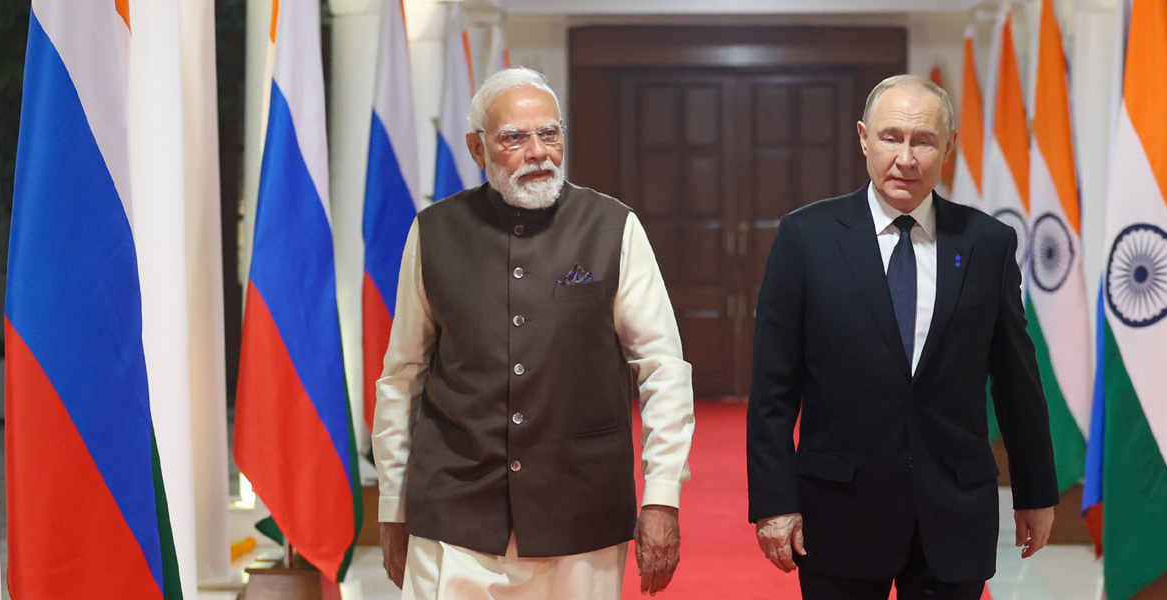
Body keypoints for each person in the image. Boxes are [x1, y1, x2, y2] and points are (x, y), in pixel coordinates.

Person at [373, 67, 694, 599]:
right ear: (477, 149)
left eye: (549, 133)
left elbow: (662, 368)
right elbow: (402, 376)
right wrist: (393, 506)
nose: (538, 152)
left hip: (581, 511)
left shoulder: (613, 226)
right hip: (453, 509)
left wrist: (662, 497)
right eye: (514, 138)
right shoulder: (433, 232)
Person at [746, 74, 1058, 600]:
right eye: (891, 137)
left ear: (949, 147)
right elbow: (773, 389)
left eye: (924, 141)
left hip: (953, 511)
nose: (906, 159)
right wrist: (775, 502)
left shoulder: (987, 244)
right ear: (864, 138)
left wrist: (1035, 491)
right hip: (839, 510)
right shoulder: (806, 238)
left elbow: (1016, 380)